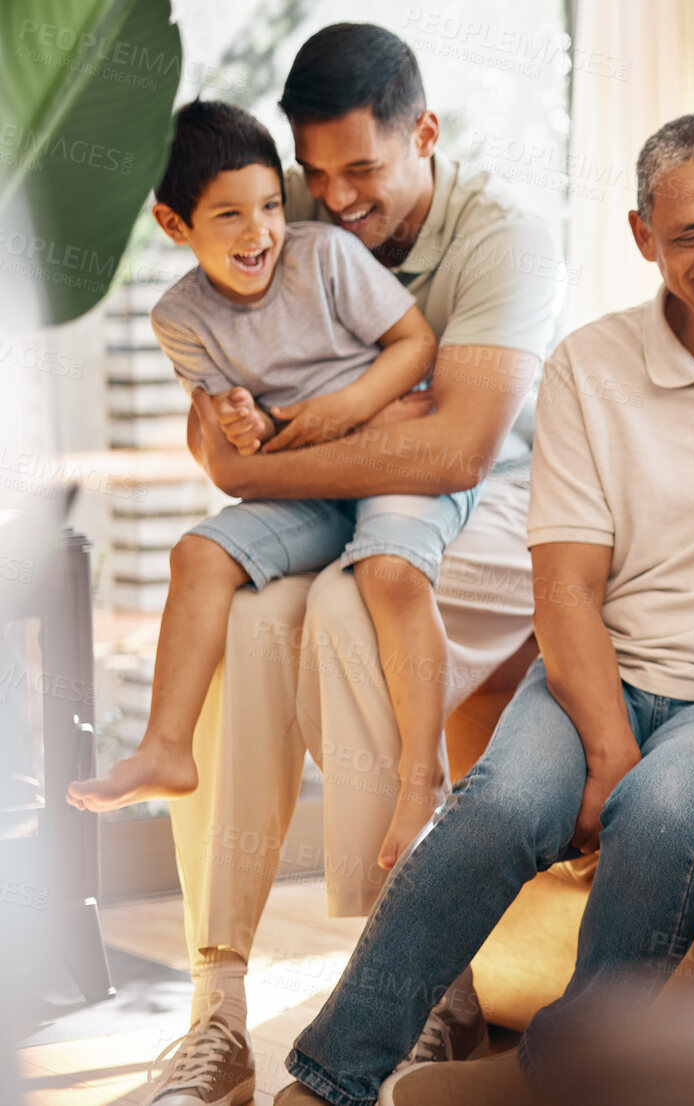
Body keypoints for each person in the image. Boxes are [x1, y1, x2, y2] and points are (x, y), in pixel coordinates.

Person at [277, 113, 694, 1106]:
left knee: (664, 814)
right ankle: (330, 1077)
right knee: (496, 809)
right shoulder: (589, 363)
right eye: (688, 234)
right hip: (603, 664)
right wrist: (610, 750)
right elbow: (566, 587)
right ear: (640, 237)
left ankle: (559, 1077)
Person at [141, 24, 563, 1106]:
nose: (334, 198)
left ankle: (423, 987)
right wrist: (243, 439)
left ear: (424, 133)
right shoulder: (287, 200)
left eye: (362, 171)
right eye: (314, 173)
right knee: (237, 622)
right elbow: (217, 439)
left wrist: (269, 456)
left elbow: (459, 444)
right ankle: (218, 1011)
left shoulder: (502, 235)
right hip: (336, 490)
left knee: (342, 608)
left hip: (500, 500)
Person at [66, 102, 463, 895]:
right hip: (305, 483)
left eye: (271, 206)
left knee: (388, 575)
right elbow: (231, 444)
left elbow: (414, 344)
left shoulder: (325, 258)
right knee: (197, 553)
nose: (260, 232)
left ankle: (424, 775)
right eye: (230, 216)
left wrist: (348, 413)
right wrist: (245, 424)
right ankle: (166, 746)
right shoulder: (178, 317)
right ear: (175, 224)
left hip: (390, 467)